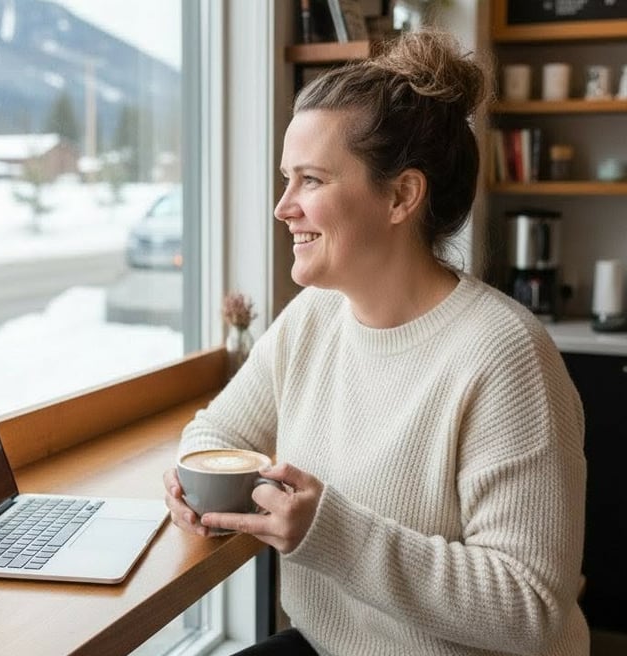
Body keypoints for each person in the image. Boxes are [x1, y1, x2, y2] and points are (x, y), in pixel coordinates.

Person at [164, 30, 588, 656]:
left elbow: (532, 609)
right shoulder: (314, 317)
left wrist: (326, 530)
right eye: (287, 179)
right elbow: (215, 435)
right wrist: (192, 487)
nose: (284, 207)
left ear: (401, 195)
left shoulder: (506, 355)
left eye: (311, 180)